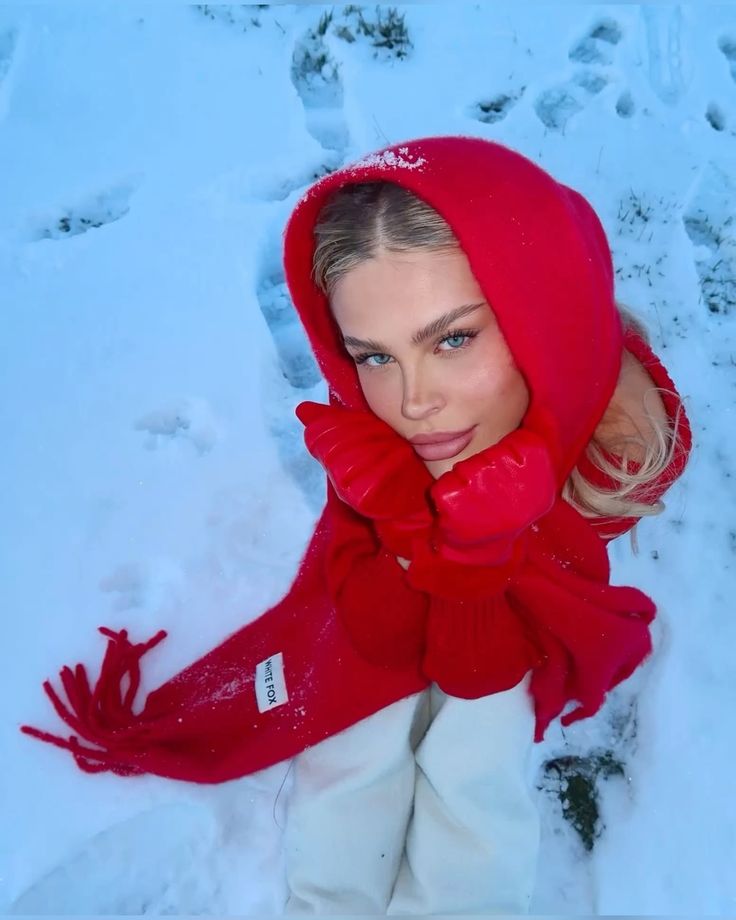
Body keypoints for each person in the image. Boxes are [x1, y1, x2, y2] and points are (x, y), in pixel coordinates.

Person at [21, 136, 692, 914]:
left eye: (453, 338)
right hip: (402, 598)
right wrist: (406, 519)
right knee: (350, 737)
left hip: (509, 633)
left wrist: (476, 550)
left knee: (476, 769)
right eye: (373, 356)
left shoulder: (612, 445)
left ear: (539, 309)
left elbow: (481, 666)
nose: (413, 403)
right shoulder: (384, 437)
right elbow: (371, 624)